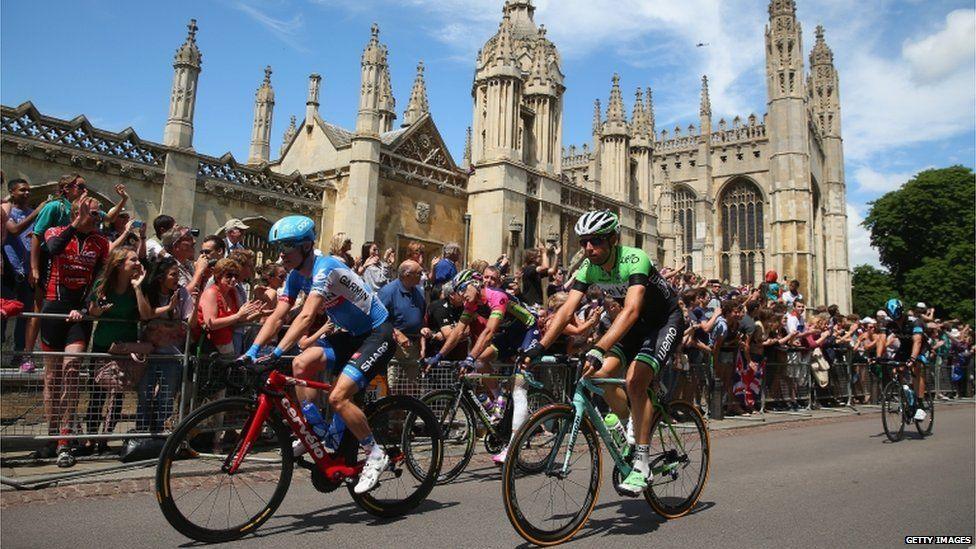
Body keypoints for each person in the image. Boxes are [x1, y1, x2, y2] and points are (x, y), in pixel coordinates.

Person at [524, 209, 683, 495]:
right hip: (632, 325)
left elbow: (633, 309)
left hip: (662, 322)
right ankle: (629, 424)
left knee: (635, 380)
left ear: (612, 239)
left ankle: (642, 464)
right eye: (584, 241)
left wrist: (598, 346)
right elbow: (566, 311)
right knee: (596, 375)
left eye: (595, 241)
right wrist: (540, 346)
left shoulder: (634, 258)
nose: (588, 248)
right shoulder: (588, 267)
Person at [241, 215, 395, 494]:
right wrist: (251, 352)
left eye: (287, 248)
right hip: (350, 335)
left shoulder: (326, 267)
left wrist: (275, 352)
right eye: (279, 249)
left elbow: (308, 315)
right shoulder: (295, 276)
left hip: (376, 332)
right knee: (301, 363)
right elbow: (278, 316)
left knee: (338, 397)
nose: (282, 255)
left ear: (306, 246)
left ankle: (375, 453)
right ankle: (316, 431)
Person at [425, 268, 540, 463]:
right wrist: (438, 355)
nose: (461, 295)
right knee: (480, 361)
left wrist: (468, 357)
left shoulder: (498, 296)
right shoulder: (472, 304)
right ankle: (498, 402)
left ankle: (512, 447)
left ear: (476, 283)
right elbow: (458, 331)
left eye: (463, 289)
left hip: (529, 330)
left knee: (519, 388)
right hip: (511, 334)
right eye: (458, 291)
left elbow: (488, 332)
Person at [39, 195, 110, 467]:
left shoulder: (101, 242)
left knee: (71, 371)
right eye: (93, 214)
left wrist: (85, 305)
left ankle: (65, 438)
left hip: (78, 314)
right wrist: (75, 225)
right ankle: (51, 434)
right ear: (77, 212)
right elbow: (53, 249)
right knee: (51, 378)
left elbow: (100, 279)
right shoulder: (56, 231)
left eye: (98, 214)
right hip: (53, 308)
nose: (97, 218)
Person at [85, 246, 151, 450]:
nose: (138, 263)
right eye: (133, 260)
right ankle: (90, 437)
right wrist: (99, 308)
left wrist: (138, 288)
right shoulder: (103, 284)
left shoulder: (137, 286)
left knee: (117, 394)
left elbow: (146, 315)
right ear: (119, 264)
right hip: (103, 345)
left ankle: (105, 438)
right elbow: (93, 312)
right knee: (97, 394)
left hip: (124, 347)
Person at [137, 255, 196, 432]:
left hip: (172, 354)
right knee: (145, 396)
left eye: (178, 274)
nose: (177, 279)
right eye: (173, 275)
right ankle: (142, 431)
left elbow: (189, 322)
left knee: (166, 397)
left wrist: (196, 301)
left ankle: (160, 433)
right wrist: (168, 309)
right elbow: (146, 315)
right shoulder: (150, 291)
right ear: (161, 277)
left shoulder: (182, 293)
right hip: (149, 353)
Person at [2, 178, 46, 371]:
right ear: (12, 192)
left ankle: (20, 356)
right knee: (3, 312)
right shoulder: (7, 211)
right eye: (22, 190)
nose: (27, 193)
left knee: (25, 315)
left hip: (27, 272)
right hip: (9, 271)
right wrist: (37, 212)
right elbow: (13, 229)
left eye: (28, 190)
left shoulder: (31, 213)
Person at [874, 298, 929, 421]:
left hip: (919, 348)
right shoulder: (888, 323)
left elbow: (918, 341)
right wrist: (878, 357)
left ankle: (920, 405)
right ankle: (906, 394)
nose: (896, 320)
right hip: (904, 347)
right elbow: (882, 339)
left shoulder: (915, 321)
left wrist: (913, 358)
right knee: (896, 368)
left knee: (916, 369)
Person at [378, 260, 427, 392]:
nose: (422, 276)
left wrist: (423, 337)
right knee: (392, 386)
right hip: (394, 347)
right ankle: (390, 411)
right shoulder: (388, 292)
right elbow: (378, 318)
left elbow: (421, 319)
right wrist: (397, 333)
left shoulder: (418, 293)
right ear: (407, 274)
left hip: (413, 347)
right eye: (419, 273)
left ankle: (406, 412)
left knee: (412, 387)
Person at [197, 258, 261, 356]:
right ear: (218, 277)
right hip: (211, 350)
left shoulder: (233, 292)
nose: (233, 279)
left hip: (228, 345)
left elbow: (238, 320)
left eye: (236, 275)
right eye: (229, 276)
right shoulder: (211, 293)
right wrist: (238, 316)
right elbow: (211, 323)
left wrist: (258, 314)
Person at [519, 243, 560, 309]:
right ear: (532, 258)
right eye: (539, 256)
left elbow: (552, 271)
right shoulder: (529, 269)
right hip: (531, 304)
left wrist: (557, 256)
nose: (541, 258)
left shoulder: (536, 270)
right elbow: (545, 267)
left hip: (538, 303)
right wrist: (544, 252)